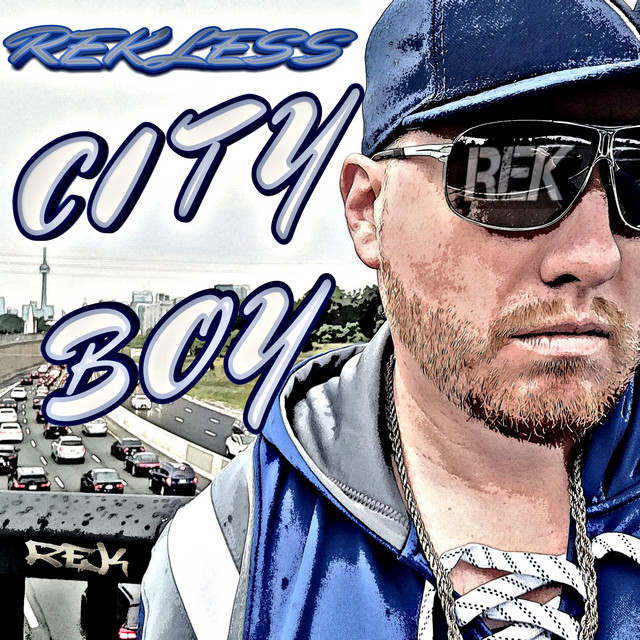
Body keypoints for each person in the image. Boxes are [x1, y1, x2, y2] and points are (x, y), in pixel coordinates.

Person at [139, 0, 640, 638]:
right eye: (515, 174)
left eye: (638, 175)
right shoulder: (225, 562)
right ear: (368, 212)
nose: (596, 255)